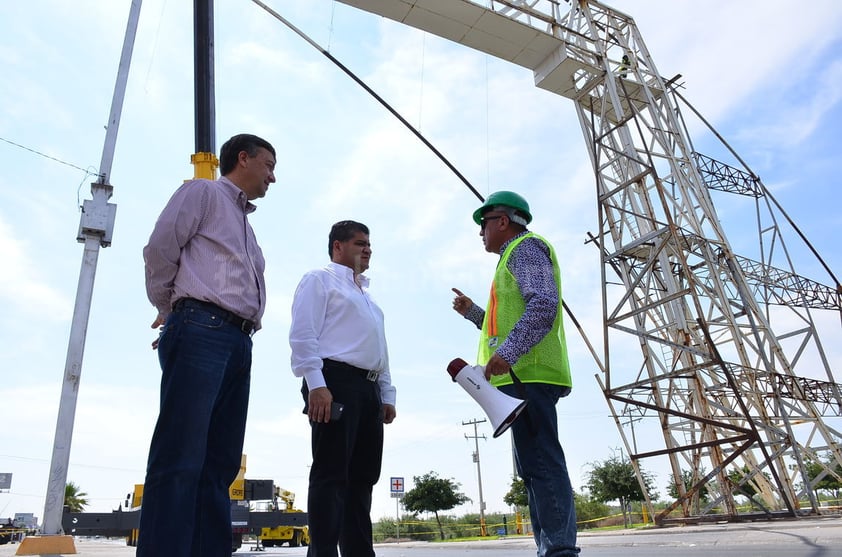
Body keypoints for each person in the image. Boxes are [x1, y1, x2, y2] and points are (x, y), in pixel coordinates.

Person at [139, 133, 277, 557]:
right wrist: (170, 306)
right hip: (200, 328)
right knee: (180, 457)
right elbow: (160, 248)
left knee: (218, 466)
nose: (273, 177)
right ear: (243, 158)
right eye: (268, 165)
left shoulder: (247, 229)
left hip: (238, 341)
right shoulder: (203, 193)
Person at [451, 190, 580, 557]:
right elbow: (502, 326)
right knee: (533, 468)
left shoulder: (525, 248)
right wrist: (474, 312)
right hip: (520, 377)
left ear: (503, 221)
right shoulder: (512, 256)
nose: (480, 233)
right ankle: (551, 548)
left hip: (530, 375)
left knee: (541, 463)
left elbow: (543, 306)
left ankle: (559, 550)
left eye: (484, 223)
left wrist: (508, 354)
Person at [289, 220, 397, 557]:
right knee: (331, 474)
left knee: (363, 478)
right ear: (338, 246)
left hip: (368, 390)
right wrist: (316, 385)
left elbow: (380, 348)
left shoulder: (368, 299)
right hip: (333, 383)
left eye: (369, 244)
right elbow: (303, 335)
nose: (367, 249)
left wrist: (386, 394)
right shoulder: (319, 280)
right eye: (359, 243)